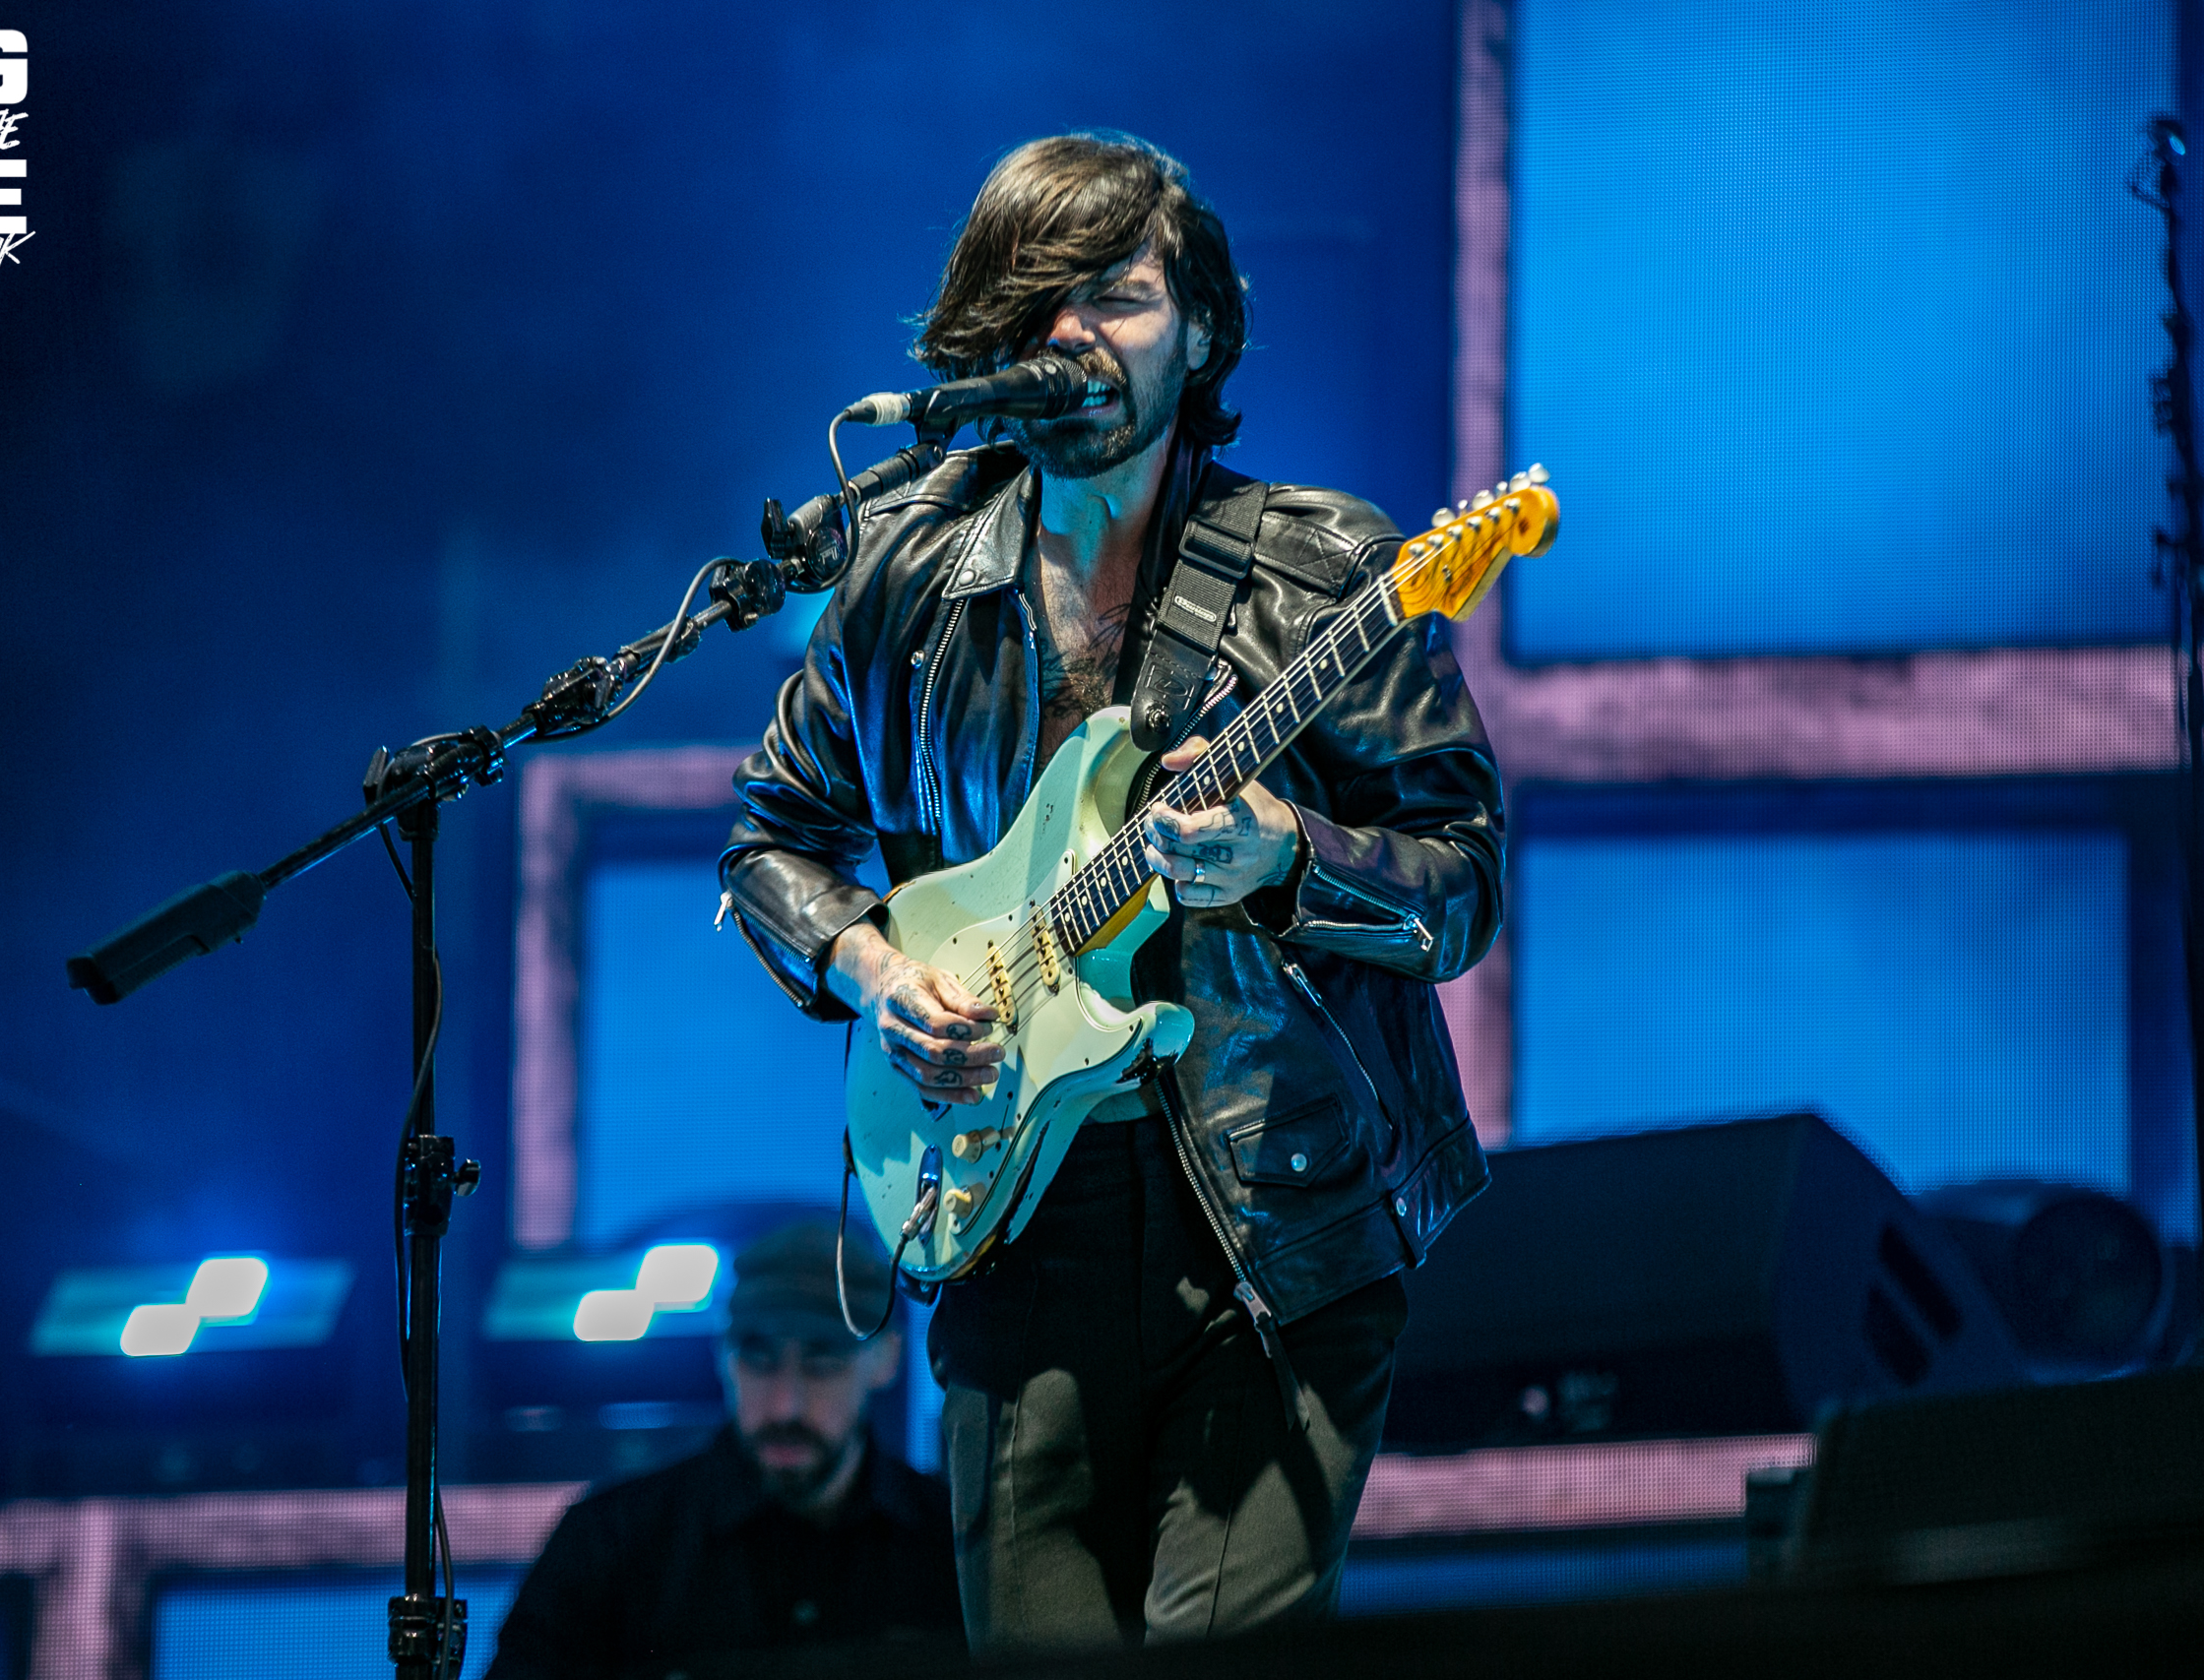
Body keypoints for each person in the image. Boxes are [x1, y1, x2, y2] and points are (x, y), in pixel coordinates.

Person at [718, 133, 1505, 1649]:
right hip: (1010, 1217)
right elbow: (771, 839)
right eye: (1036, 305)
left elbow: (1460, 884)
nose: (1071, 334)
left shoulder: (1324, 565)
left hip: (1273, 1227)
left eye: (1118, 297)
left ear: (1200, 329)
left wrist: (1287, 856)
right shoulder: (903, 575)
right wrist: (884, 975)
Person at [482, 1222, 962, 1679]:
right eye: (759, 1359)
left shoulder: (952, 1547)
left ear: (886, 1359)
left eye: (822, 1362)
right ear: (723, 1356)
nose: (786, 1405)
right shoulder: (609, 1545)